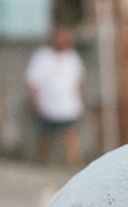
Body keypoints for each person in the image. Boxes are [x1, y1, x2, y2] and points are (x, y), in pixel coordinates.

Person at [25, 26, 85, 166]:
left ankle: (75, 165)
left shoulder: (72, 58)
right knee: (44, 138)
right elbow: (32, 82)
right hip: (48, 106)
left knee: (71, 136)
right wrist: (36, 103)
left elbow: (77, 82)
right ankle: (39, 165)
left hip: (68, 106)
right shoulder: (42, 57)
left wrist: (79, 102)